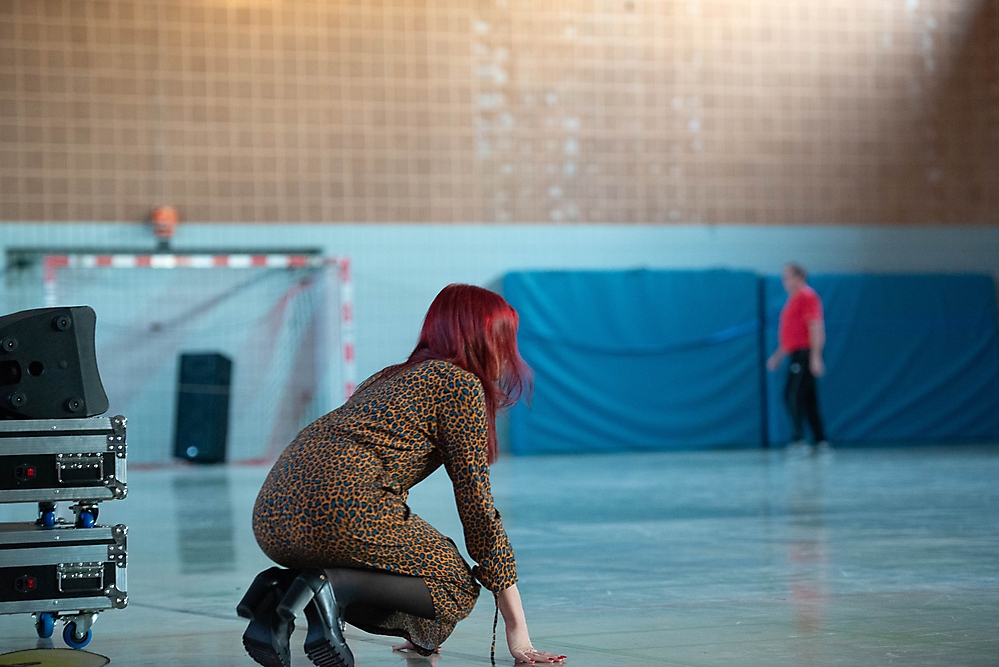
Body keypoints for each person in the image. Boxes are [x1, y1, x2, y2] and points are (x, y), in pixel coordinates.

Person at [237, 284, 567, 667]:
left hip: (272, 515)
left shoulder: (387, 378)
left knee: (411, 580)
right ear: (485, 339)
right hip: (344, 508)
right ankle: (330, 586)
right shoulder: (459, 384)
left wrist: (420, 630)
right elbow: (476, 505)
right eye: (506, 338)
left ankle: (280, 588)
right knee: (457, 587)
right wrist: (516, 626)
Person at [766, 264, 829, 453]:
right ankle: (820, 439)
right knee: (808, 398)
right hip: (796, 353)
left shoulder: (807, 296)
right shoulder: (792, 300)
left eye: (788, 277)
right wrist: (778, 356)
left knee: (791, 395)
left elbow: (815, 326)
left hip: (805, 353)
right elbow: (790, 335)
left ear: (799, 277)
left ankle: (799, 440)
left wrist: (815, 356)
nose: (784, 281)